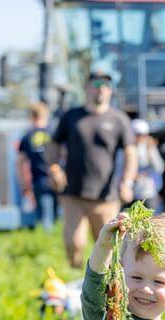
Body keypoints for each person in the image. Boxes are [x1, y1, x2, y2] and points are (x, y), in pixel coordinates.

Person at [47, 71, 137, 268]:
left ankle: (106, 283)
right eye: (96, 84)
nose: (101, 89)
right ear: (86, 87)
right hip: (74, 193)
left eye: (106, 85)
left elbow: (131, 153)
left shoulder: (119, 119)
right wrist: (54, 168)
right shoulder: (71, 116)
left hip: (106, 197)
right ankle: (76, 279)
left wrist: (127, 182)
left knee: (109, 249)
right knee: (74, 244)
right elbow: (54, 144)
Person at [17, 102, 58, 231]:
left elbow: (20, 162)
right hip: (57, 179)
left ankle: (46, 239)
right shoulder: (54, 132)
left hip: (39, 181)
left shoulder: (27, 136)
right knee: (58, 217)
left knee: (45, 217)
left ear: (32, 116)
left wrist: (24, 184)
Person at [130, 118, 165, 213]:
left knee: (152, 220)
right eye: (138, 135)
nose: (141, 138)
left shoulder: (149, 147)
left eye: (144, 135)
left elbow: (159, 168)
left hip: (149, 193)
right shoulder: (126, 148)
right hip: (131, 194)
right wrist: (132, 176)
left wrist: (151, 150)